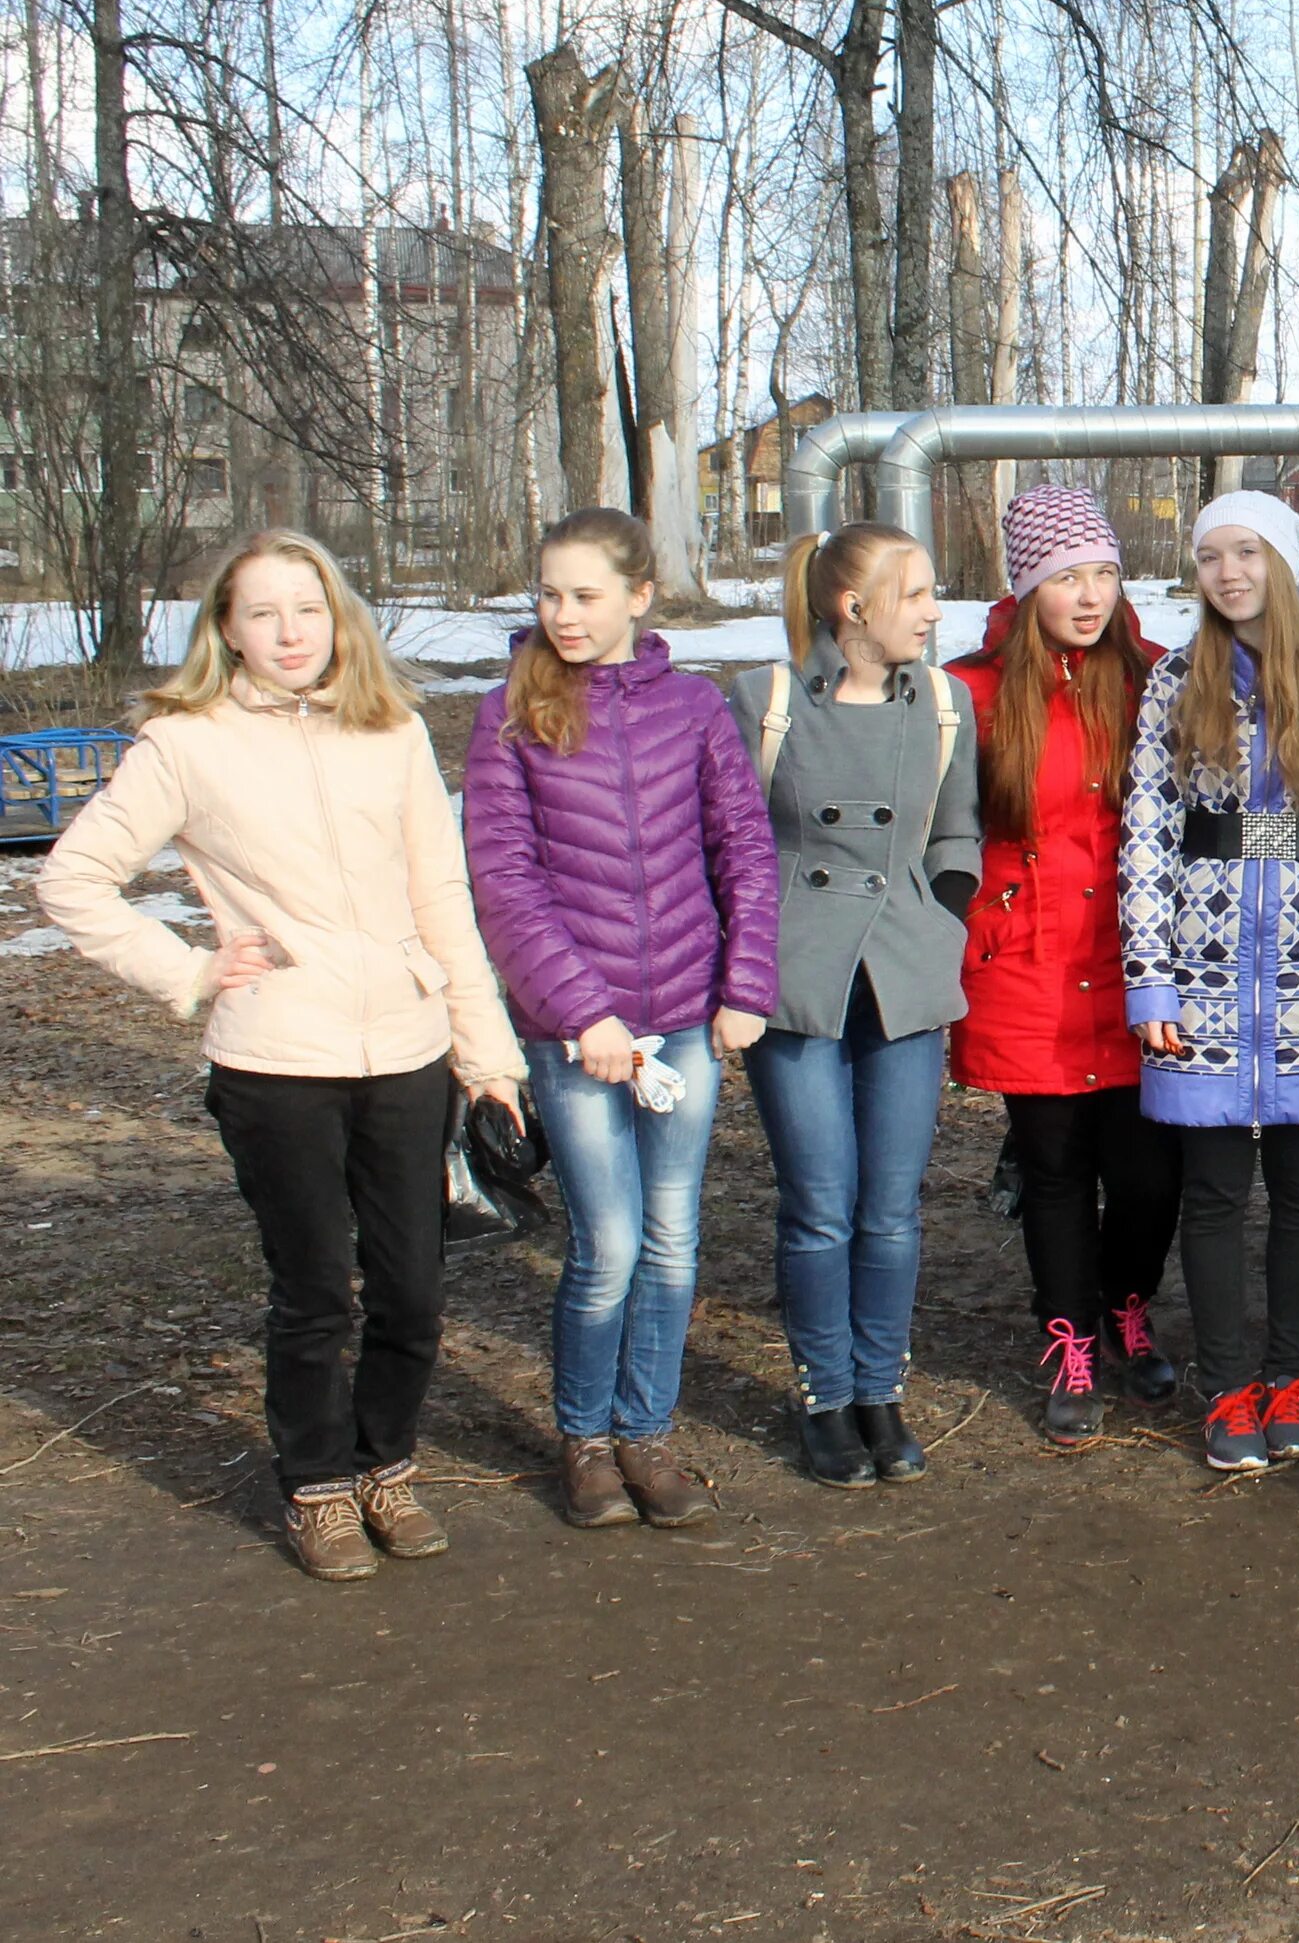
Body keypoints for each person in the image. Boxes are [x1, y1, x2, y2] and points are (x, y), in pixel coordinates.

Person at [37, 531, 524, 1581]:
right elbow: (71, 880)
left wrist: (486, 1052)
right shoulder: (186, 742)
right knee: (314, 1289)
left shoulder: (388, 728)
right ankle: (316, 1488)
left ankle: (383, 1461)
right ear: (227, 629)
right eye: (263, 613)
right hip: (277, 1061)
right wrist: (192, 969)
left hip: (406, 1046)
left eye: (307, 607)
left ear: (337, 613)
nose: (290, 631)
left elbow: (441, 897)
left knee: (412, 1287)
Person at [463, 509, 778, 1531]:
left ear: (639, 597)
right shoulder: (511, 712)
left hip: (684, 1018)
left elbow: (744, 851)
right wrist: (579, 1011)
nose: (562, 614)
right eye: (548, 593)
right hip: (579, 1033)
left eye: (584, 594)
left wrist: (745, 988)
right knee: (606, 1242)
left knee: (674, 1240)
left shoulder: (692, 708)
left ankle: (647, 1430)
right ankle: (586, 1440)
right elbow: (504, 881)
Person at [1120, 491, 1299, 1475]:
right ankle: (1227, 1382)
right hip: (1205, 965)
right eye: (1209, 557)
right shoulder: (1176, 679)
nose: (1229, 572)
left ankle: (1289, 1375)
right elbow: (1148, 836)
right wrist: (1152, 982)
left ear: (1283, 562)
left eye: (1247, 552)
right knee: (1211, 1192)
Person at [733, 521, 980, 1490]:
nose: (930, 611)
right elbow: (734, 840)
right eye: (915, 593)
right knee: (820, 1209)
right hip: (799, 984)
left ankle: (882, 1390)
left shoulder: (946, 704)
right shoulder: (765, 701)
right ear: (854, 607)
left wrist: (942, 921)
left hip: (905, 980)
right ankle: (825, 1396)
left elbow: (957, 831)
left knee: (891, 1212)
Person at [945, 486, 1181, 1447]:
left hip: (1137, 967)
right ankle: (1070, 1337)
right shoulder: (973, 692)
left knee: (1146, 1174)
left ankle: (1129, 1302)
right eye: (1064, 577)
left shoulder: (1154, 677)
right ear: (1026, 584)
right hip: (1026, 968)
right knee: (1054, 1167)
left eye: (1102, 574)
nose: (1088, 595)